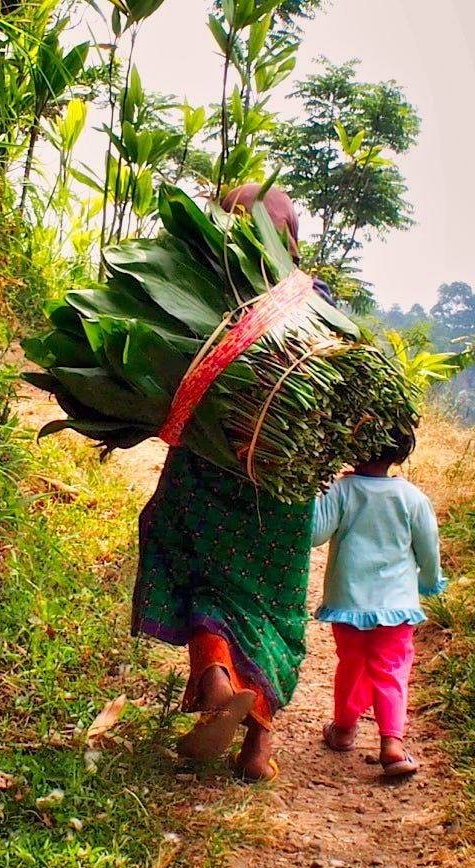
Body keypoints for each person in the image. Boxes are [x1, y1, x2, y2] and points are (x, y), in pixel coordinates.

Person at [131, 185, 311, 782]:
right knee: (276, 604)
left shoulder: (202, 300)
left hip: (206, 477)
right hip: (282, 487)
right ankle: (257, 749)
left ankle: (214, 677)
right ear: (290, 237)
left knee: (207, 579)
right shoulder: (311, 304)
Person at [311, 429, 447, 776]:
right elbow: (428, 548)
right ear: (400, 453)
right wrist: (429, 581)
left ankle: (343, 730)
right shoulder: (412, 498)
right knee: (391, 670)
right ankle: (392, 744)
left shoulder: (340, 491)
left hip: (348, 602)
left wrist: (320, 486)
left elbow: (315, 534)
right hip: (396, 606)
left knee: (351, 665)